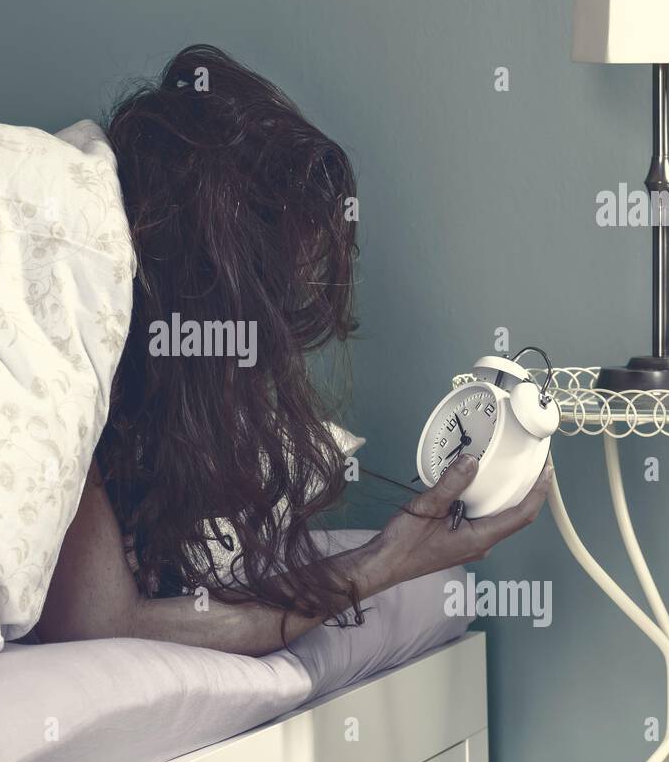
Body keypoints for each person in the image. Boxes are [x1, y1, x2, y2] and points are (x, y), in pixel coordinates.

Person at [36, 45, 550, 656]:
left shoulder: (144, 398)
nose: (257, 362)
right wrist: (386, 561)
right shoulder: (60, 322)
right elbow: (101, 624)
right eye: (263, 307)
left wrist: (393, 555)